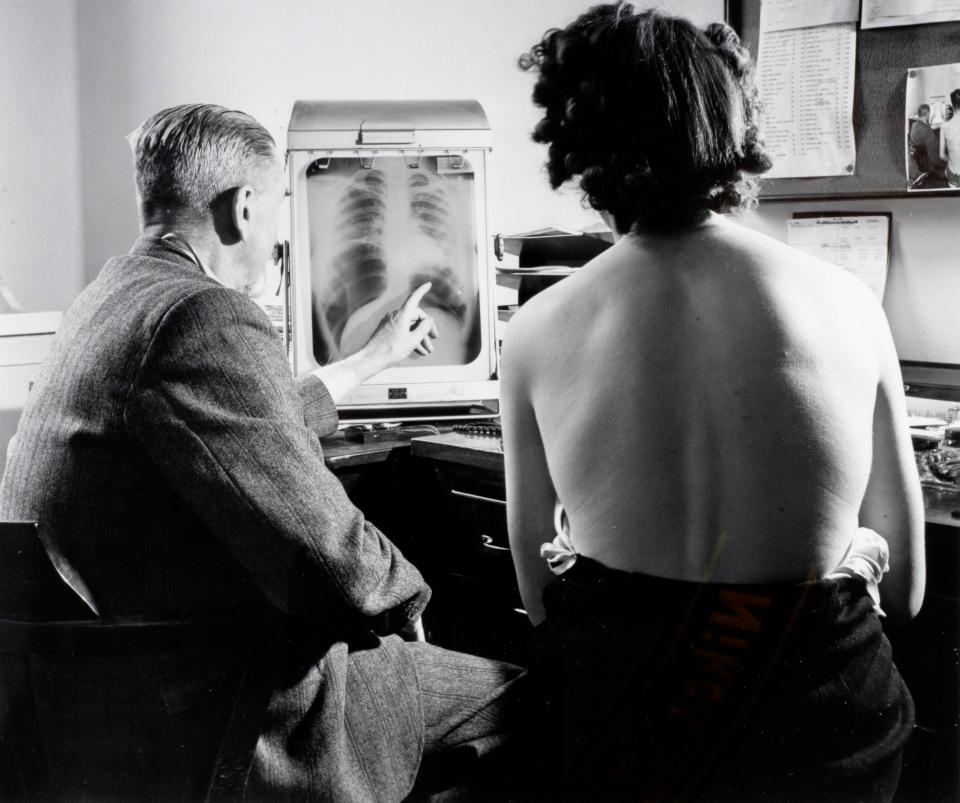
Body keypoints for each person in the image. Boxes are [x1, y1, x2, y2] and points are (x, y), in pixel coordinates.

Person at [0, 103, 523, 801]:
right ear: (244, 207)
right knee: (526, 698)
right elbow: (332, 565)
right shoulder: (201, 314)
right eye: (278, 206)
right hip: (229, 708)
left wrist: (375, 356)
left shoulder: (109, 299)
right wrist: (408, 601)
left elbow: (229, 430)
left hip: (106, 704)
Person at [501, 5, 924, 801]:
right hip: (821, 735)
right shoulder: (849, 303)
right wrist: (846, 557)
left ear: (581, 149)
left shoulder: (534, 330)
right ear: (735, 132)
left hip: (631, 728)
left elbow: (538, 602)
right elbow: (907, 591)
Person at [908, 103, 946, 187]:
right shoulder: (927, 132)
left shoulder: (914, 125)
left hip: (920, 162)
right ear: (928, 114)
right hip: (930, 165)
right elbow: (934, 157)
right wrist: (944, 161)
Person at [939, 89, 960, 187]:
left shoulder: (944, 126)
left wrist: (951, 159)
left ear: (952, 105)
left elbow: (942, 156)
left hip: (953, 172)